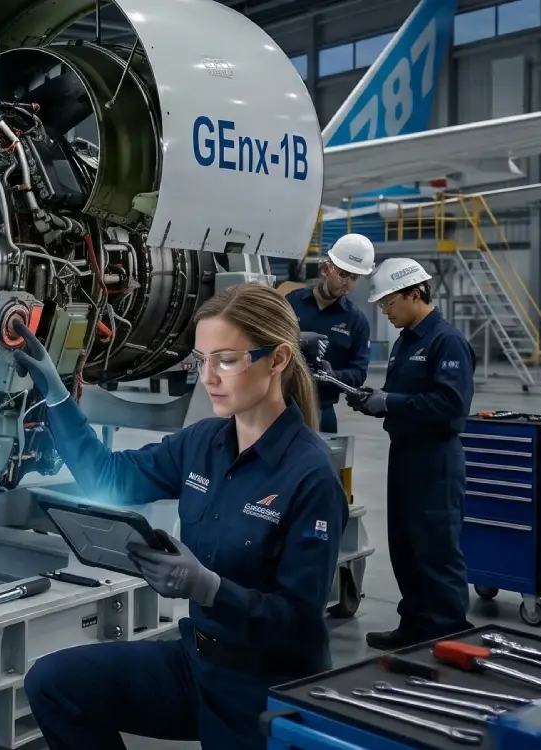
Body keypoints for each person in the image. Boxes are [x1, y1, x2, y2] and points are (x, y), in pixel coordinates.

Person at [19, 283, 346, 750]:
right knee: (54, 682)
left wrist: (211, 589)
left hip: (264, 687)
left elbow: (298, 623)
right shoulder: (202, 443)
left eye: (226, 360)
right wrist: (55, 394)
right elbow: (108, 478)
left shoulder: (309, 474)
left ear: (278, 359)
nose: (208, 377)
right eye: (201, 360)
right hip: (196, 664)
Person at [347, 257, 475, 649]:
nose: (385, 311)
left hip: (435, 459)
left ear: (414, 294)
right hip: (403, 454)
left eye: (388, 303)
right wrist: (373, 400)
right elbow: (404, 398)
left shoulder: (446, 341)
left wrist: (392, 403)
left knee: (435, 547)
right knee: (406, 544)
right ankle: (416, 626)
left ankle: (448, 631)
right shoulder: (407, 340)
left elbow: (450, 405)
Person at [286, 234, 376, 433]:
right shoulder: (291, 303)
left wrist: (332, 375)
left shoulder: (356, 321)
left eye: (354, 278)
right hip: (283, 404)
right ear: (327, 269)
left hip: (322, 410)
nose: (347, 283)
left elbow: (358, 372)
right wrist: (297, 340)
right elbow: (265, 342)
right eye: (343, 274)